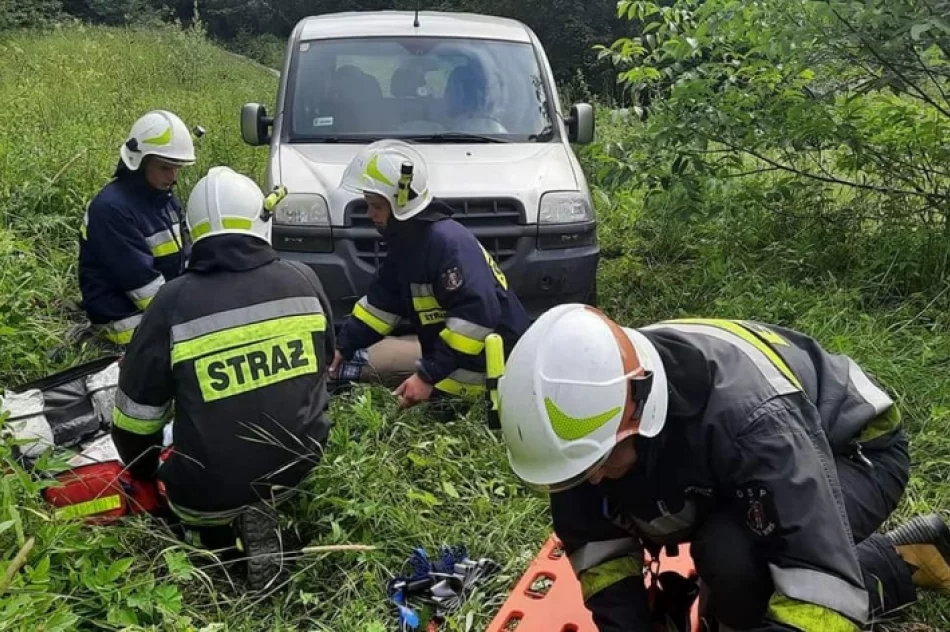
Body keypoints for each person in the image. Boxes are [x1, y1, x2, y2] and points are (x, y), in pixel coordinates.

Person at [495, 304, 950, 631]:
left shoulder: (753, 422)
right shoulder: (585, 417)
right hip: (752, 458)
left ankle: (899, 564)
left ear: (638, 412)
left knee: (733, 554)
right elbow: (595, 544)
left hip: (852, 451)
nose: (590, 479)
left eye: (597, 463)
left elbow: (819, 577)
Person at [110, 166, 334, 589]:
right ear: (259, 222)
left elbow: (135, 423)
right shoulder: (304, 278)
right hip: (303, 467)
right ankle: (269, 516)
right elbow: (324, 364)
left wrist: (146, 475)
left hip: (207, 496)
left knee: (202, 513)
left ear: (193, 234)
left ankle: (217, 547)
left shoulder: (171, 301)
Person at [329, 139, 530, 412]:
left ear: (399, 203)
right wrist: (342, 347)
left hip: (487, 376)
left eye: (375, 205)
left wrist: (426, 376)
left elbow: (476, 318)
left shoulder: (445, 244)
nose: (369, 213)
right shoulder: (407, 245)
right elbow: (379, 307)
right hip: (452, 367)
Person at [78, 110, 196, 347]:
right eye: (165, 167)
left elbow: (186, 257)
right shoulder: (111, 210)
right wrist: (191, 318)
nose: (173, 177)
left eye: (178, 168)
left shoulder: (163, 199)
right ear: (139, 162)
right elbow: (143, 288)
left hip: (161, 307)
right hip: (124, 322)